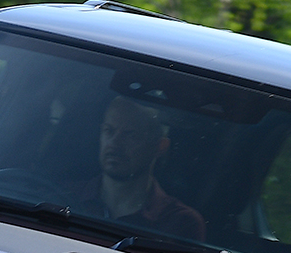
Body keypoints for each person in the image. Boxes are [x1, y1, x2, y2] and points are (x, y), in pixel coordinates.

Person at [77, 96, 205, 240]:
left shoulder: (181, 223)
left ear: (160, 147)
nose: (114, 142)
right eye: (109, 131)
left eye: (130, 134)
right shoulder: (61, 198)